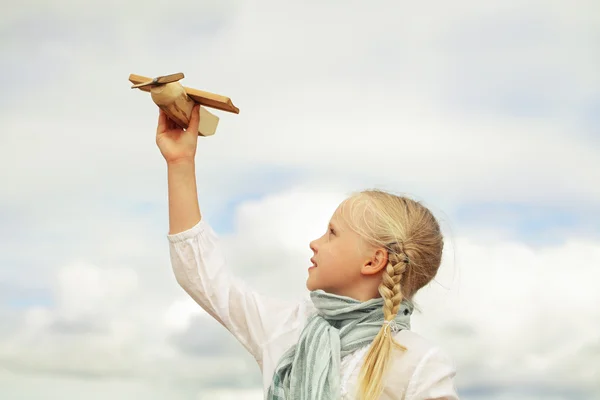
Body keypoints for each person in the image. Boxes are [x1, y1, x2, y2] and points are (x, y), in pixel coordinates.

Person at [157, 105, 459, 400]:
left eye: (332, 233)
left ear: (373, 261)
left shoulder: (421, 365)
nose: (315, 243)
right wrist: (180, 162)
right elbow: (205, 278)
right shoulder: (288, 328)